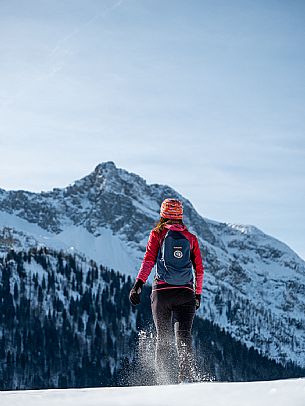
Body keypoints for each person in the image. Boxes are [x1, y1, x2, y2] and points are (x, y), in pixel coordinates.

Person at [129, 198, 204, 383]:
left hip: (161, 293)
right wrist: (198, 294)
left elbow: (148, 261)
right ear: (180, 215)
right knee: (183, 336)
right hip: (186, 293)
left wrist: (138, 285)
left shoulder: (157, 234)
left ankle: (162, 380)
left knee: (162, 337)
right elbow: (199, 270)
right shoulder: (191, 238)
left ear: (163, 214)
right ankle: (185, 377)